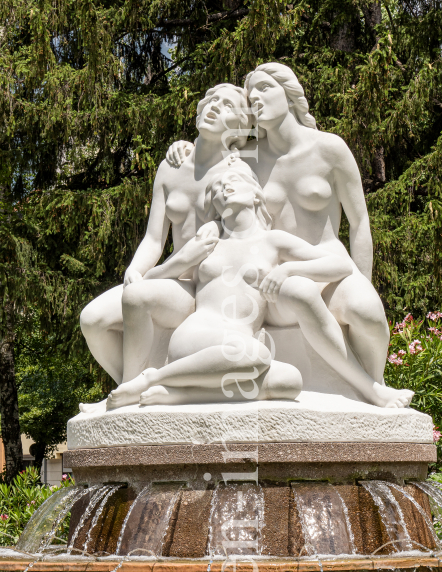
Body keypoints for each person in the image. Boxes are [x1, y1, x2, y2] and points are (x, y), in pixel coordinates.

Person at [166, 64, 411, 408]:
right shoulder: (246, 158)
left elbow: (360, 224)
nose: (256, 99)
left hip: (328, 267)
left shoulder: (330, 149)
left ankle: (374, 385)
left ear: (290, 93)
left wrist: (363, 280)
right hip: (274, 277)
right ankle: (370, 388)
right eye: (251, 96)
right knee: (297, 289)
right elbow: (207, 163)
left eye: (266, 89)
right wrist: (184, 148)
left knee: (366, 311)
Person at [106, 169, 408, 410]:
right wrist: (184, 258)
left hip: (239, 343)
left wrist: (288, 269)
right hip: (198, 336)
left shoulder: (274, 241)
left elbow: (341, 267)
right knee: (256, 356)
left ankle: (176, 394)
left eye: (234, 182)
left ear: (256, 194)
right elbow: (150, 282)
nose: (223, 188)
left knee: (290, 381)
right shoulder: (209, 246)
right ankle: (152, 378)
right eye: (216, 190)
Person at [78, 83, 253, 411]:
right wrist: (136, 268)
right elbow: (155, 239)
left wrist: (155, 275)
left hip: (198, 289)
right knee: (92, 320)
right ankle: (131, 386)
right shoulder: (171, 167)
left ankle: (127, 398)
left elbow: (214, 249)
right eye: (211, 99)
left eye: (227, 105)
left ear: (240, 128)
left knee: (138, 295)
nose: (214, 106)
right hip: (164, 275)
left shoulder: (236, 173)